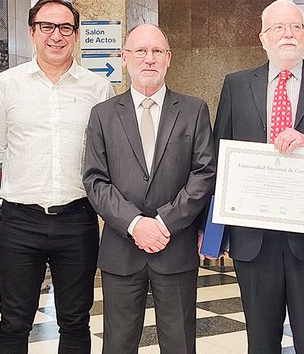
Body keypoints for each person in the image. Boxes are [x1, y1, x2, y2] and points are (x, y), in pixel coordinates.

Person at [212, 0, 304, 354]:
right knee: (261, 341)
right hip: (253, 239)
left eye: (295, 26)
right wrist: (215, 230)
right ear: (262, 37)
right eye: (278, 27)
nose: (287, 33)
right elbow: (219, 156)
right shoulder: (236, 85)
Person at [0, 0, 115, 353]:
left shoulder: (98, 88)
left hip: (77, 219)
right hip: (19, 222)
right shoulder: (6, 84)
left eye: (66, 28)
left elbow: (105, 155)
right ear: (32, 32)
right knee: (14, 322)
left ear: (76, 35)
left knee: (75, 320)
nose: (56, 35)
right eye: (47, 26)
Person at [82, 24, 216, 354]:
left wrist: (164, 223)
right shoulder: (102, 115)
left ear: (169, 58)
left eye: (157, 51)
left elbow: (204, 174)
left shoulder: (194, 110)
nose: (149, 58)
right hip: (121, 250)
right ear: (125, 58)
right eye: (140, 51)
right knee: (118, 345)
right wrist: (135, 224)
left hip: (175, 247)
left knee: (179, 345)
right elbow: (95, 181)